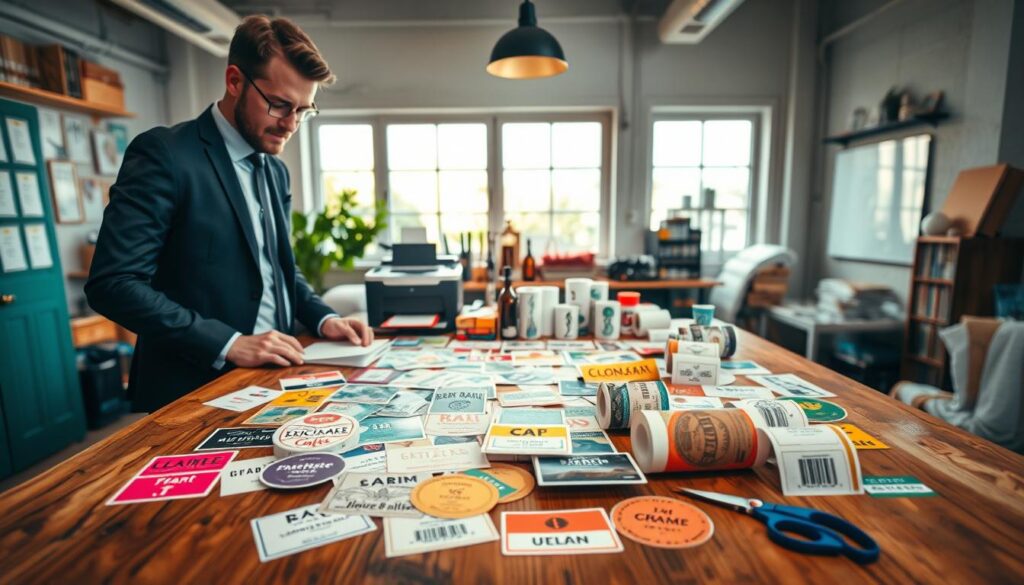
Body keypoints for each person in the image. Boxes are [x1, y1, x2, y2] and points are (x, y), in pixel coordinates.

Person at [86, 15, 373, 412]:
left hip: (277, 378)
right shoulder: (164, 155)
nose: (290, 124)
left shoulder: (275, 170)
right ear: (235, 81)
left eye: (304, 110)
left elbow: (278, 269)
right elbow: (113, 283)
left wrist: (325, 319)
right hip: (191, 388)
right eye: (279, 105)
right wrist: (230, 342)